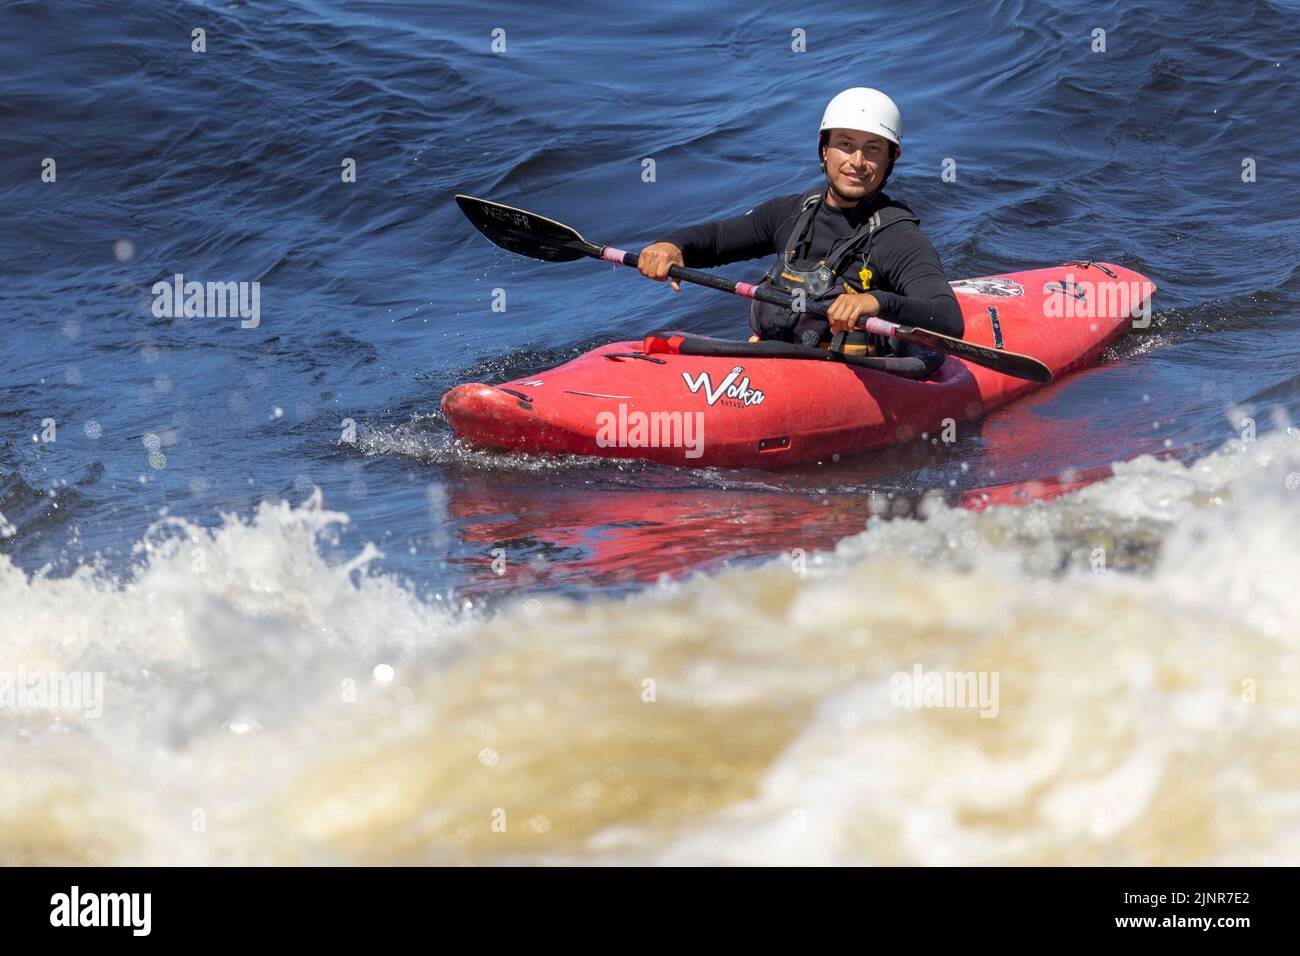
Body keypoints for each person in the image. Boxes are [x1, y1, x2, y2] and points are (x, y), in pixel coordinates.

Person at [637, 88, 962, 365]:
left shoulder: (897, 236)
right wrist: (671, 246)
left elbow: (947, 318)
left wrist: (876, 301)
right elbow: (718, 238)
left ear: (892, 158)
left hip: (856, 374)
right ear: (824, 149)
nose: (857, 162)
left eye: (873, 149)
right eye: (846, 144)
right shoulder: (792, 213)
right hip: (778, 363)